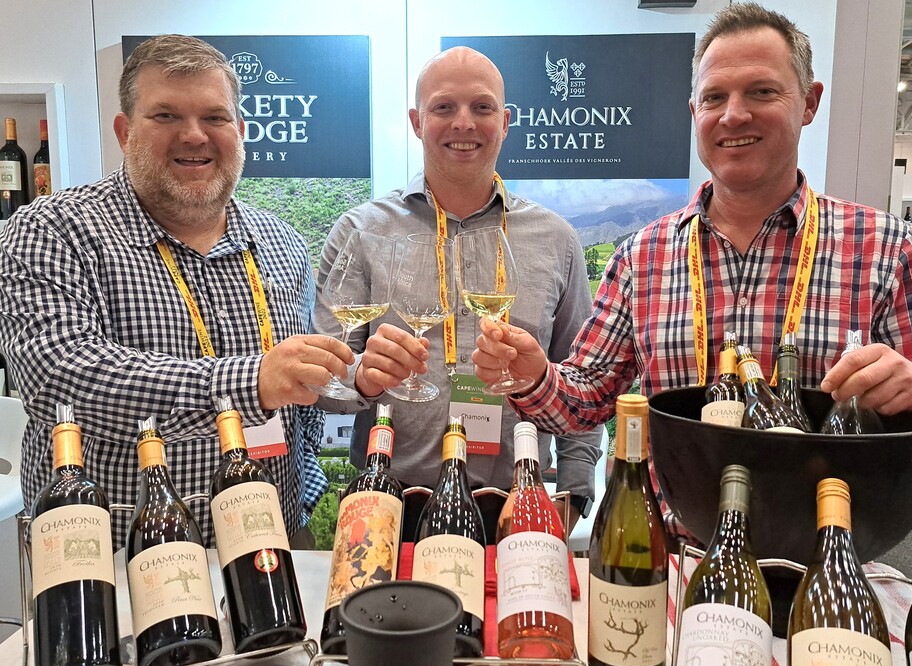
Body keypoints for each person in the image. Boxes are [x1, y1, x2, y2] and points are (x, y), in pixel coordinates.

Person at [472, 2, 912, 473]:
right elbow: (585, 402)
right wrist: (535, 375)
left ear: (809, 102)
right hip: (671, 538)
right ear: (695, 111)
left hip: (822, 533)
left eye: (762, 91)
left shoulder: (885, 247)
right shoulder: (641, 257)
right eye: (715, 97)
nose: (734, 114)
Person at [0, 35, 354, 544]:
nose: (194, 135)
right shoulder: (52, 230)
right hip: (114, 550)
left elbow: (295, 399)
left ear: (240, 131)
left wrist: (347, 392)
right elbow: (58, 377)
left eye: (215, 117)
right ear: (124, 132)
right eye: (166, 115)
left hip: (269, 539)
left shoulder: (283, 242)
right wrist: (250, 382)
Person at [313, 47, 602, 531]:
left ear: (505, 122)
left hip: (517, 506)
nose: (463, 122)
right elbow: (323, 383)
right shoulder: (361, 232)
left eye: (482, 107)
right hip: (388, 505)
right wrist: (362, 376)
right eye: (444, 107)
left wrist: (573, 495)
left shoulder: (556, 239)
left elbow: (583, 382)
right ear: (417, 122)